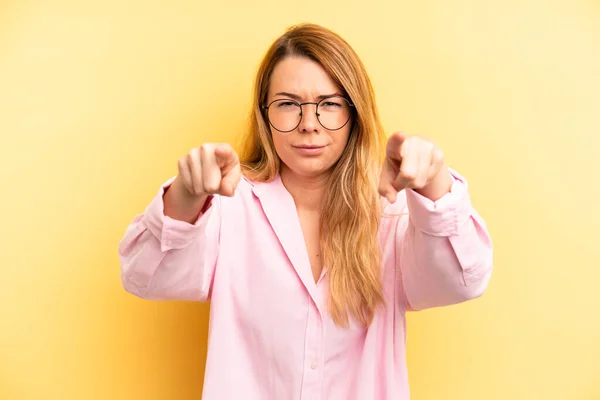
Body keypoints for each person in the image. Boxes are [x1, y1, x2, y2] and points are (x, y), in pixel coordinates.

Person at [118, 23, 493, 400]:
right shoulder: (229, 208)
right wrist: (185, 197)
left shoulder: (392, 214)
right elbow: (143, 276)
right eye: (287, 104)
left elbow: (463, 281)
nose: (309, 124)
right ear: (265, 115)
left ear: (354, 113)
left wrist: (434, 186)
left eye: (329, 104)